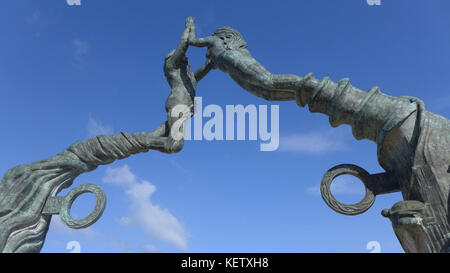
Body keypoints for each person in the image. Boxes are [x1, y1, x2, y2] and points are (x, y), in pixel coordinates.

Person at [187, 17, 301, 101]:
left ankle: (309, 84)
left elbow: (192, 40)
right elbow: (198, 75)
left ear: (223, 37)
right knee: (266, 94)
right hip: (232, 71)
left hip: (231, 59)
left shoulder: (214, 39)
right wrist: (186, 81)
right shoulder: (213, 59)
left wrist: (190, 25)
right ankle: (301, 95)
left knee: (268, 80)